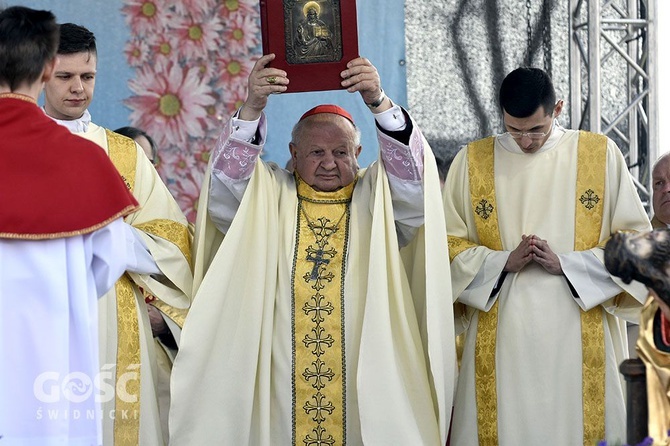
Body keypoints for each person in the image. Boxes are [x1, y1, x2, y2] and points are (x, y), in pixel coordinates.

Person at [168, 53, 455, 445]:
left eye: (340, 152)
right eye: (316, 152)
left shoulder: (377, 198)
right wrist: (253, 105)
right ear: (293, 153)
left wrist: (378, 101)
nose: (328, 163)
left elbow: (416, 182)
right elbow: (224, 187)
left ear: (358, 154)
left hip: (363, 369)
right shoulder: (268, 196)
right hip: (281, 370)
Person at [443, 66, 652, 445]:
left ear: (556, 109)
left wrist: (569, 265)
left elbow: (635, 244)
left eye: (536, 129)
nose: (525, 141)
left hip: (578, 330)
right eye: (514, 130)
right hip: (501, 333)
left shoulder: (598, 155)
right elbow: (445, 246)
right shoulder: (472, 162)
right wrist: (501, 262)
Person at [42, 22, 192, 445]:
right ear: (40, 75)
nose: (78, 89)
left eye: (87, 77)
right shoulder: (13, 150)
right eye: (64, 77)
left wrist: (111, 236)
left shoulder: (125, 154)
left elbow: (173, 238)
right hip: (39, 308)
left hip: (112, 311)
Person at [0, 6, 139, 444]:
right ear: (46, 70)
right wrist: (63, 289)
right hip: (52, 355)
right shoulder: (86, 158)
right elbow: (109, 260)